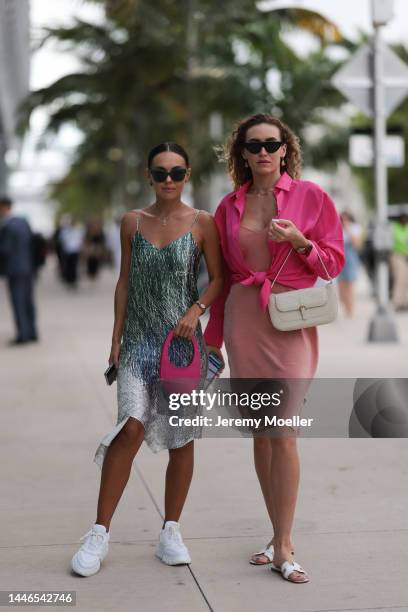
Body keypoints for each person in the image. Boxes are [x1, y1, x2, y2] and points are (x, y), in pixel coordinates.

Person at [71, 142, 223, 577]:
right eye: (161, 173)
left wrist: (196, 312)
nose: (169, 181)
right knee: (130, 427)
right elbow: (124, 282)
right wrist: (116, 338)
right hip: (138, 344)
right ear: (149, 176)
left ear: (188, 175)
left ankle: (170, 530)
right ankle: (99, 532)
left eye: (177, 173)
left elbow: (219, 280)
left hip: (179, 347)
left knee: (182, 435)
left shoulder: (203, 223)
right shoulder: (132, 222)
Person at [204, 113, 344, 584]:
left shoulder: (312, 197)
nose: (263, 151)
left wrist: (301, 242)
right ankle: (276, 533)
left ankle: (284, 545)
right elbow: (223, 280)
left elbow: (332, 264)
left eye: (271, 143)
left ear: (285, 149)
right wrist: (213, 337)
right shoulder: (228, 206)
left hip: (292, 321)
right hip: (246, 320)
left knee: (283, 429)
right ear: (240, 153)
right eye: (253, 145)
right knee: (262, 432)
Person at [0, 196, 38, 345]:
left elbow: (5, 250)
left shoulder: (8, 226)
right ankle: (32, 332)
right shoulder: (23, 223)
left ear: (3, 207)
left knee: (18, 302)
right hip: (27, 267)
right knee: (28, 301)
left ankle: (23, 334)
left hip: (14, 270)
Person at [338, 211, 363, 318]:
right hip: (340, 257)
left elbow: (356, 244)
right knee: (341, 285)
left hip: (351, 257)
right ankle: (346, 306)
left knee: (350, 285)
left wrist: (347, 228)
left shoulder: (354, 228)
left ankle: (350, 309)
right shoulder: (337, 228)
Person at [390, 213, 408, 311]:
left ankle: (406, 302)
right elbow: (399, 240)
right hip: (398, 256)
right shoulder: (395, 228)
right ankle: (398, 302)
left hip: (407, 257)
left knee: (406, 281)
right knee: (400, 280)